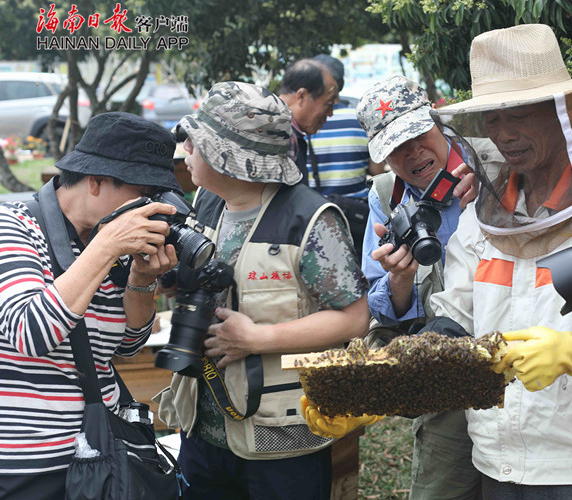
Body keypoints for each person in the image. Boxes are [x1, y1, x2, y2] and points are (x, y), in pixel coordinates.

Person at [428, 24, 572, 498]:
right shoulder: (480, 221)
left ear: (563, 112)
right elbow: (454, 320)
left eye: (520, 115)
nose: (504, 135)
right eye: (492, 120)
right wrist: (394, 376)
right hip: (492, 461)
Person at [154, 81, 370, 500]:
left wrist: (258, 339)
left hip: (282, 440)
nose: (186, 151)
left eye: (197, 143)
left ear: (227, 158)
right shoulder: (208, 202)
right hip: (204, 427)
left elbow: (355, 318)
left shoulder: (309, 219)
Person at [301, 75, 480, 500]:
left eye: (418, 135)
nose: (413, 152)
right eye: (396, 148)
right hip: (446, 367)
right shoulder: (385, 196)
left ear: (436, 122)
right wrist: (400, 277)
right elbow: (383, 309)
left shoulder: (490, 164)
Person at [0, 112, 181, 499]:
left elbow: (125, 347)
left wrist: (140, 282)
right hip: (30, 467)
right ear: (96, 180)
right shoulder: (13, 227)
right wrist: (106, 247)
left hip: (105, 457)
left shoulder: (104, 241)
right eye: (143, 193)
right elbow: (28, 333)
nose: (150, 208)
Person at [306, 54, 385, 264]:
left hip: (314, 217)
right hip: (356, 218)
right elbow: (376, 171)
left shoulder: (305, 123)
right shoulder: (359, 120)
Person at [308, 54, 384, 198]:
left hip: (314, 213)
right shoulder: (362, 120)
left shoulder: (302, 123)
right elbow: (377, 171)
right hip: (357, 214)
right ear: (341, 84)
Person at [278, 58, 339, 185]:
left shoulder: (277, 124)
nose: (331, 113)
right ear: (301, 96)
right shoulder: (281, 135)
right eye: (328, 104)